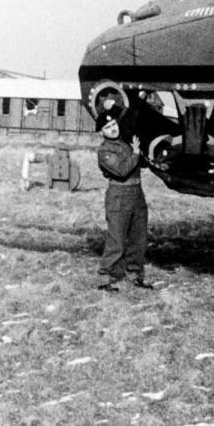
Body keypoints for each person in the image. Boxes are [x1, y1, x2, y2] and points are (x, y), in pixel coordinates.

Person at [96, 106, 153, 292]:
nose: (113, 128)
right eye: (108, 127)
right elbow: (121, 170)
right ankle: (105, 278)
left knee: (139, 238)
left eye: (114, 124)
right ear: (102, 132)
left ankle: (135, 274)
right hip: (119, 195)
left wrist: (140, 151)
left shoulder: (125, 143)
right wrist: (135, 152)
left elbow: (140, 163)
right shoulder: (104, 151)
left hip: (137, 193)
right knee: (117, 240)